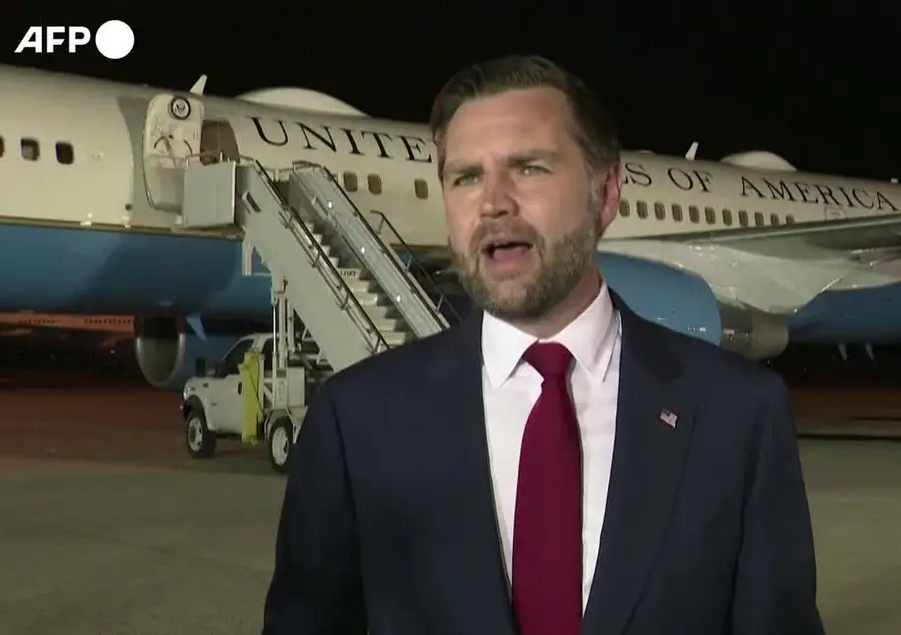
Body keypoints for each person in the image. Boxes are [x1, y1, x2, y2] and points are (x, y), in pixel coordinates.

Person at [261, 55, 824, 635]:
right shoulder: (355, 419)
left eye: (528, 169)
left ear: (606, 195)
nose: (493, 203)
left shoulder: (738, 414)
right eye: (466, 177)